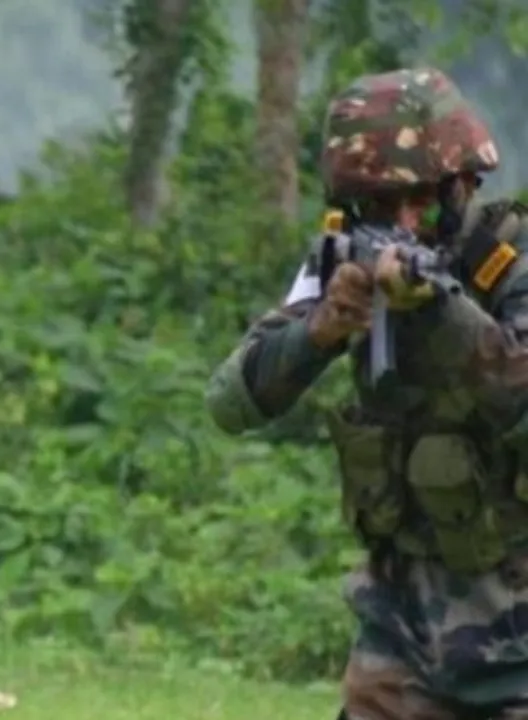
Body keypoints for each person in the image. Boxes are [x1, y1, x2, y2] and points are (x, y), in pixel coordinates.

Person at [204, 67, 528, 719]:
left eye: (421, 200)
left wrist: (439, 312)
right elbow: (230, 401)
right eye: (377, 206)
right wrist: (319, 333)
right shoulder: (344, 260)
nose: (403, 223)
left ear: (464, 180)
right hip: (399, 639)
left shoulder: (512, 264)